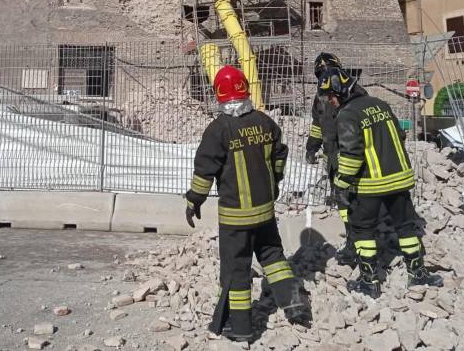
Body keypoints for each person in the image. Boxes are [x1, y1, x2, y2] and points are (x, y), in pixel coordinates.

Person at [185, 65, 305, 342]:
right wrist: (274, 183)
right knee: (273, 258)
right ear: (245, 88)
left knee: (236, 269)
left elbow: (204, 171)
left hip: (236, 219)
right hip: (265, 212)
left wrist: (194, 200)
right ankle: (296, 305)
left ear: (218, 94)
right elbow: (279, 156)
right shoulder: (265, 122)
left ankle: (240, 328)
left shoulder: (218, 130)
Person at [318, 66, 443, 299]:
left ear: (341, 92)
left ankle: (369, 281)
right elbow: (401, 135)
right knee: (406, 226)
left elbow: (351, 153)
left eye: (331, 95)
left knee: (363, 229)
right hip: (399, 178)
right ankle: (418, 273)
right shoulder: (380, 104)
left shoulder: (347, 114)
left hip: (370, 184)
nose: (330, 101)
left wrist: (342, 183)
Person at [304, 52, 364, 265]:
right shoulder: (320, 97)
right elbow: (317, 125)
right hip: (334, 156)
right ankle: (353, 239)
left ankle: (361, 243)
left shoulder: (353, 90)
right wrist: (312, 147)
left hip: (352, 153)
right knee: (343, 201)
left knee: (355, 199)